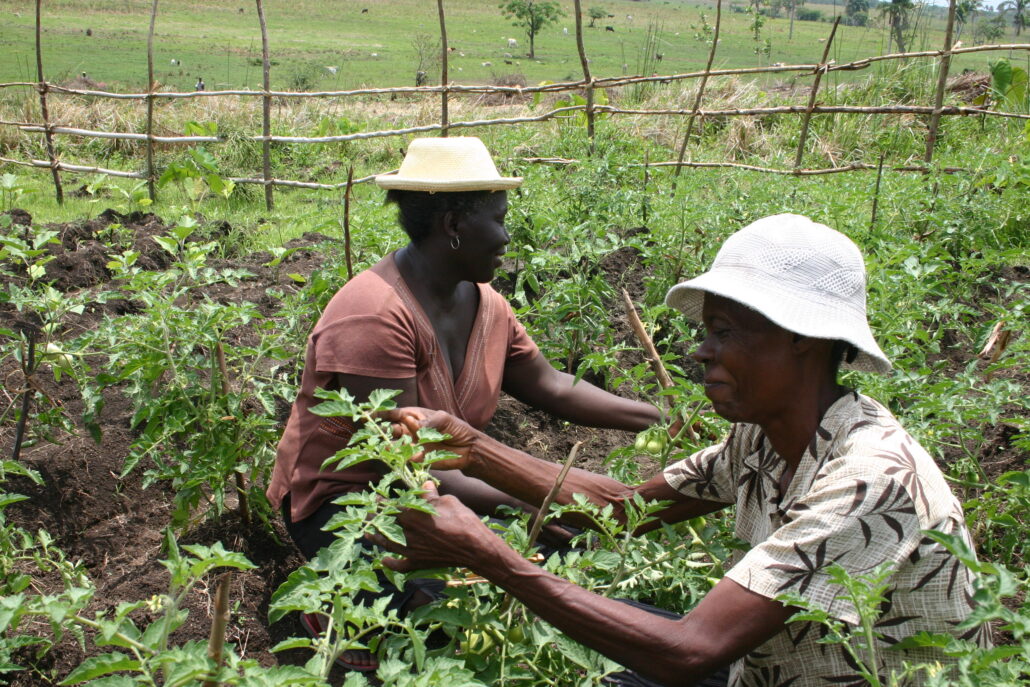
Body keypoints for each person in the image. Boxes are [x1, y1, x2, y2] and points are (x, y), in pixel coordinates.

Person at [380, 214, 988, 686]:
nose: (701, 351)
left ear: (804, 340)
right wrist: (474, 448)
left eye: (725, 333)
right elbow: (623, 509)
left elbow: (690, 651)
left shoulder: (869, 478)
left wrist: (492, 558)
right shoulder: (764, 436)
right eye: (707, 331)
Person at [267, 136, 664, 670]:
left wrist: (661, 418)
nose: (506, 236)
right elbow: (412, 464)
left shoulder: (487, 305)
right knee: (447, 608)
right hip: (352, 510)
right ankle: (338, 623)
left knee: (552, 561)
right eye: (498, 220)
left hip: (440, 490)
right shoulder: (373, 314)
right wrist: (536, 501)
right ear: (453, 224)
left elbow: (552, 386)